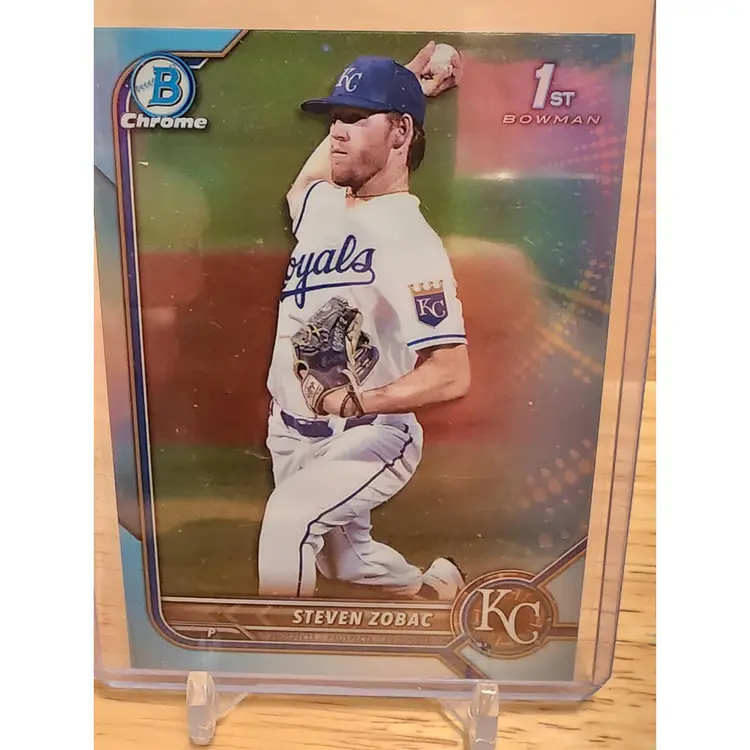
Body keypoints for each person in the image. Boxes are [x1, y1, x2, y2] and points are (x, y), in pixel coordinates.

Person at [258, 42, 471, 600]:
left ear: (400, 133)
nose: (336, 131)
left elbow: (451, 372)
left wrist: (358, 403)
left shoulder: (411, 241)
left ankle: (277, 651)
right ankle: (434, 591)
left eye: (355, 118)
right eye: (335, 117)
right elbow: (311, 178)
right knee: (346, 561)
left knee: (287, 523)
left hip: (369, 433)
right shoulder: (322, 205)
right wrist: (410, 85)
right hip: (289, 431)